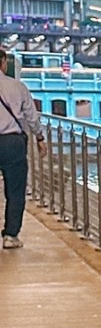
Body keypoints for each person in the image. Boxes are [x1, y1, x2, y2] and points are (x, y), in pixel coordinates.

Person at [0, 50, 42, 250]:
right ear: (3, 63)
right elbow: (32, 116)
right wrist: (40, 137)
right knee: (16, 190)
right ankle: (11, 235)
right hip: (13, 142)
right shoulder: (18, 87)